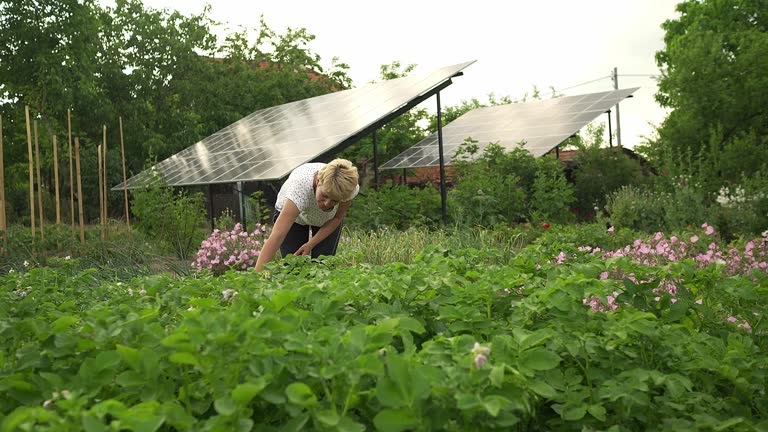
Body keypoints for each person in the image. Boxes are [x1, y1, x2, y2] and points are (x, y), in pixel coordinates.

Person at [255, 158, 359, 272]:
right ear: (318, 181)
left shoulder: (348, 189)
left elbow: (337, 218)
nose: (327, 204)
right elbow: (277, 236)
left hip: (327, 220)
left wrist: (311, 244)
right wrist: (257, 277)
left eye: (335, 201)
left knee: (323, 266)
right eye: (325, 196)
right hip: (295, 218)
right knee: (293, 267)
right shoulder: (299, 187)